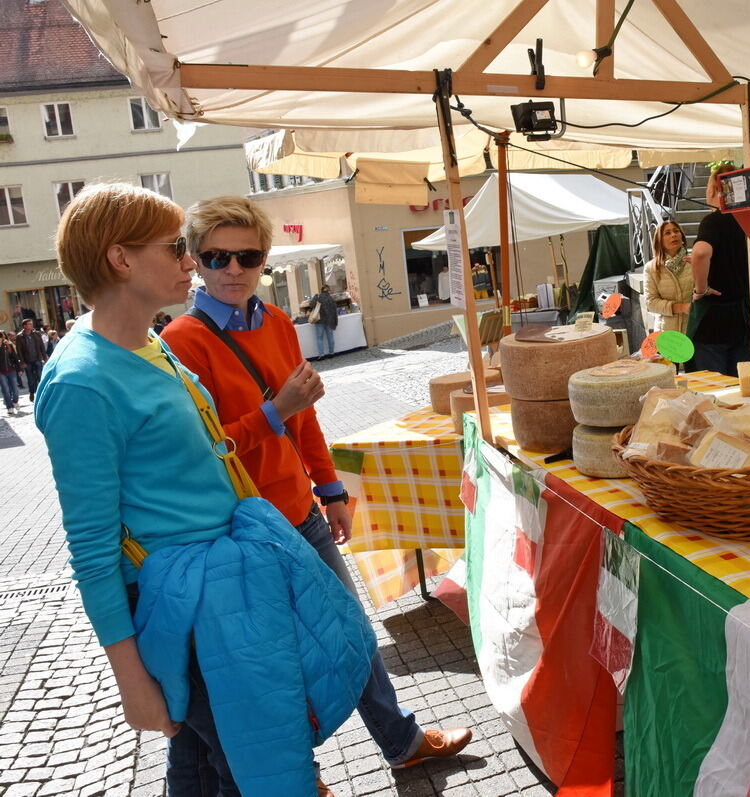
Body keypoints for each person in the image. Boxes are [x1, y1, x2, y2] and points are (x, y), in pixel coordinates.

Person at [35, 183, 379, 797]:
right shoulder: (82, 380)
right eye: (176, 248)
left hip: (218, 591)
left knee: (207, 765)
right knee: (255, 768)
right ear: (120, 259)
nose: (191, 260)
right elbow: (90, 548)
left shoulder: (145, 344)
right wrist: (131, 679)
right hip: (183, 600)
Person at [162, 196, 473, 792]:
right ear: (195, 259)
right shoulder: (183, 340)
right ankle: (303, 778)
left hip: (300, 514)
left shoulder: (279, 324)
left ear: (264, 260)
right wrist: (275, 411)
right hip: (242, 532)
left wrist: (329, 491)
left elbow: (304, 420)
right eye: (217, 256)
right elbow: (204, 451)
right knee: (273, 664)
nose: (233, 268)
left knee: (353, 633)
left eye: (248, 256)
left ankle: (401, 741)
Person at [686, 164, 750, 377]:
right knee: (738, 386)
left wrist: (700, 289)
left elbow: (701, 253)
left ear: (714, 188)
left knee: (713, 389)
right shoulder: (748, 219)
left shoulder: (713, 221)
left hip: (713, 323)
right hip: (741, 322)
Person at [643, 220, 693, 334]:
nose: (673, 235)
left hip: (693, 329)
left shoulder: (693, 262)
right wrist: (681, 307)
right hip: (666, 332)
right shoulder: (651, 268)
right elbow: (650, 302)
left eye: (676, 231)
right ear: (659, 241)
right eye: (667, 233)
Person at [15, 318, 47, 401]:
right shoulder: (19, 336)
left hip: (37, 359)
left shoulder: (37, 334)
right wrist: (22, 362)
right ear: (24, 326)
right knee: (31, 380)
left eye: (31, 324)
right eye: (29, 324)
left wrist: (45, 357)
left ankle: (43, 394)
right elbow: (19, 351)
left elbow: (42, 346)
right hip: (27, 361)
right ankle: (32, 392)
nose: (31, 325)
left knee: (40, 377)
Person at [307, 284, 339, 359]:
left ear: (321, 290)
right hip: (329, 321)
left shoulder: (318, 296)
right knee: (330, 337)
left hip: (319, 321)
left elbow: (311, 305)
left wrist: (315, 297)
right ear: (328, 291)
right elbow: (335, 311)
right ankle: (331, 353)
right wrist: (335, 322)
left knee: (319, 338)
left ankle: (321, 354)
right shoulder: (331, 298)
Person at [0, 331, 20, 415]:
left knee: (15, 389)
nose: (2, 338)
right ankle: (9, 407)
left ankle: (15, 401)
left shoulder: (8, 344)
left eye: (2, 336)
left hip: (11, 370)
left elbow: (14, 357)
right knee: (6, 390)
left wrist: (19, 369)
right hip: (1, 372)